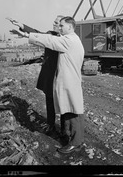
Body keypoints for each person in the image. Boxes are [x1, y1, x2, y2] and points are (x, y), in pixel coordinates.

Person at [12, 16, 85, 154]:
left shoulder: (68, 40)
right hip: (70, 81)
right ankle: (71, 138)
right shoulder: (74, 39)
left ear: (69, 27)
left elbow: (50, 40)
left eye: (61, 25)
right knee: (71, 111)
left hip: (69, 82)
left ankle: (75, 143)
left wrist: (27, 35)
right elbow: (49, 38)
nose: (59, 27)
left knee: (73, 113)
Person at [9, 15, 66, 138]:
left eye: (56, 23)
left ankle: (64, 129)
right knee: (49, 100)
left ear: (62, 25)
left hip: (60, 75)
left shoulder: (66, 38)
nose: (53, 24)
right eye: (54, 22)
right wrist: (22, 25)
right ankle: (51, 124)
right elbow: (37, 33)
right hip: (49, 74)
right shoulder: (50, 34)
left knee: (62, 103)